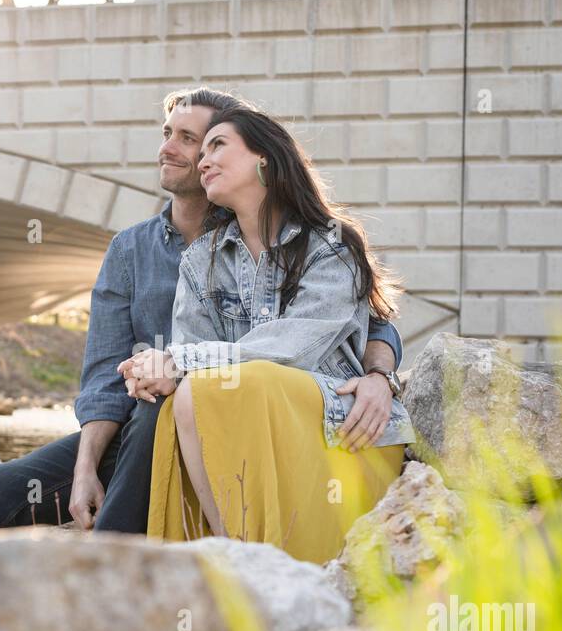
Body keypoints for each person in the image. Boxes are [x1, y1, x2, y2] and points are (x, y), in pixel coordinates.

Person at [0, 87, 406, 539]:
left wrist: (379, 376)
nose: (175, 150)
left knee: (163, 406)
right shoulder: (144, 251)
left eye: (198, 141)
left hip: (219, 414)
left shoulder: (320, 241)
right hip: (151, 426)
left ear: (258, 155)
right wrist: (85, 469)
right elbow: (107, 375)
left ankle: (113, 565)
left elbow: (364, 320)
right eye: (170, 134)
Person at [119, 105, 414, 563]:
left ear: (265, 161)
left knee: (209, 386)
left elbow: (295, 349)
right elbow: (192, 347)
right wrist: (156, 369)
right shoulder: (202, 260)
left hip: (339, 424)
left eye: (218, 146)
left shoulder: (331, 244)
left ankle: (246, 562)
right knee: (184, 396)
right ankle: (235, 555)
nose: (203, 160)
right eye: (204, 151)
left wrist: (181, 362)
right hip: (249, 416)